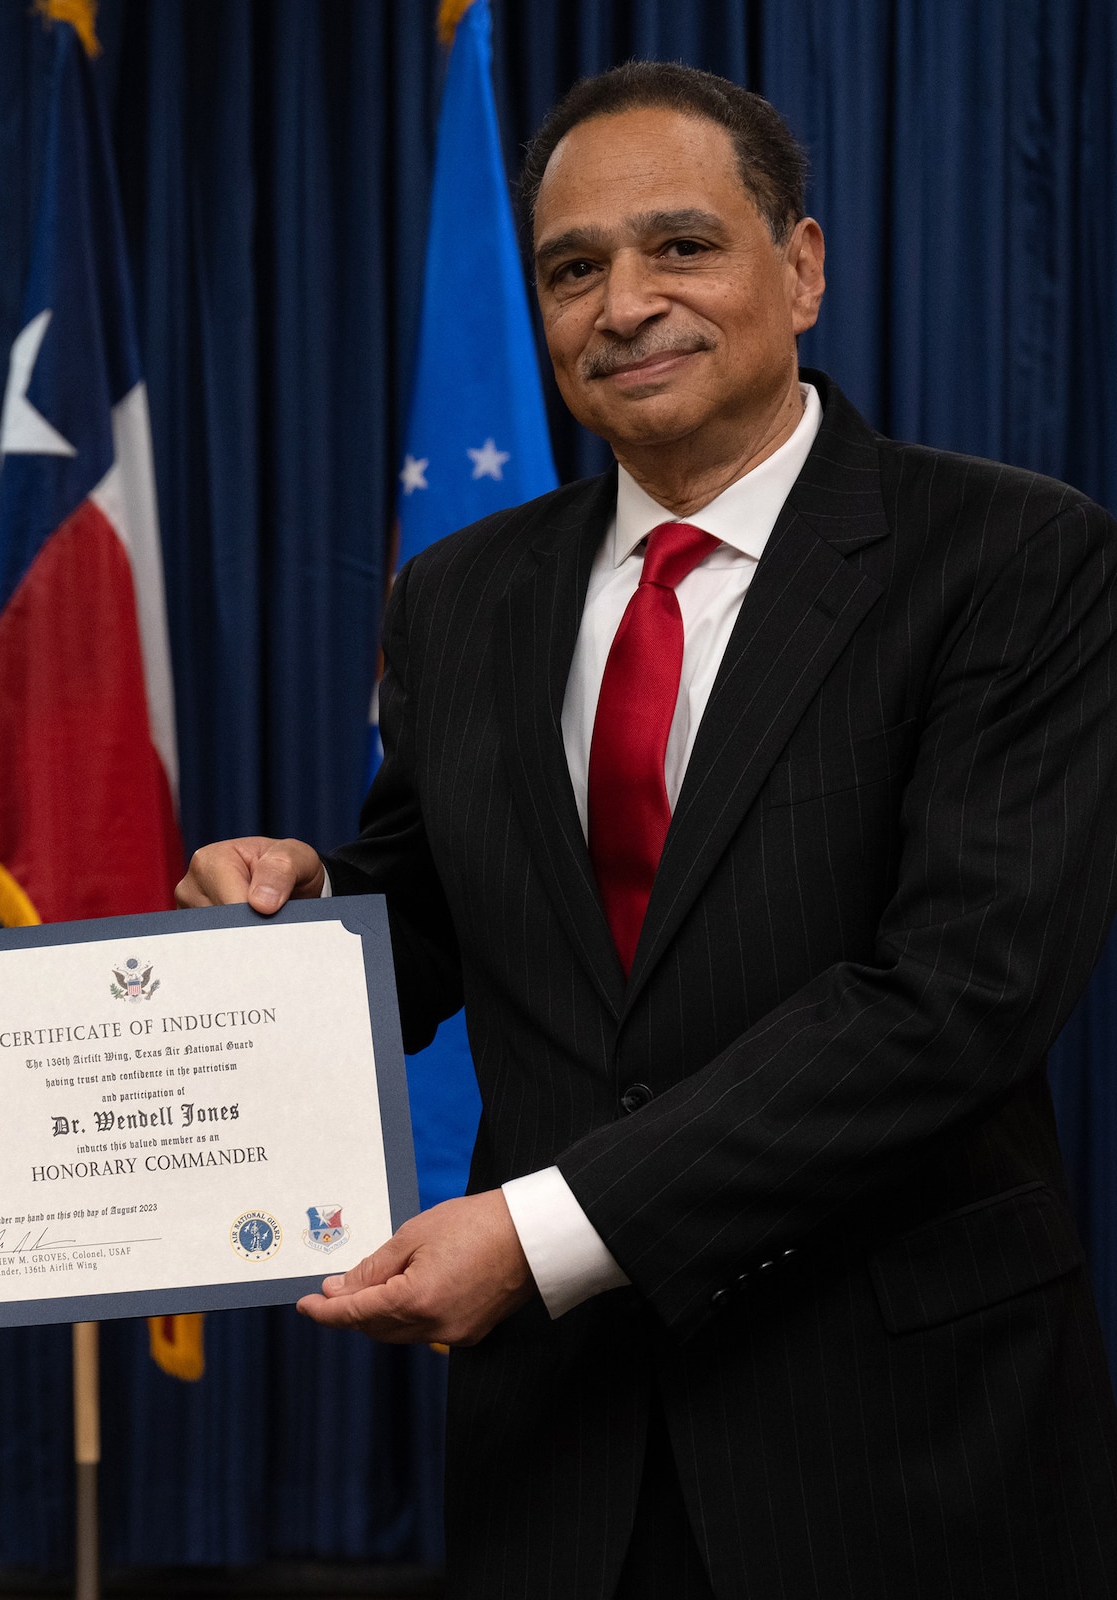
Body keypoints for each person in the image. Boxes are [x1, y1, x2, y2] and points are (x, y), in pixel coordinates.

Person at [181, 62, 1117, 1600]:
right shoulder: (462, 596)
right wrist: (302, 904)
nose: (623, 303)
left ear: (801, 268)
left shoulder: (1014, 561)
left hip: (902, 1431)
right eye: (572, 268)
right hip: (563, 1450)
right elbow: (434, 905)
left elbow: (960, 998)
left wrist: (550, 1230)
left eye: (680, 247)